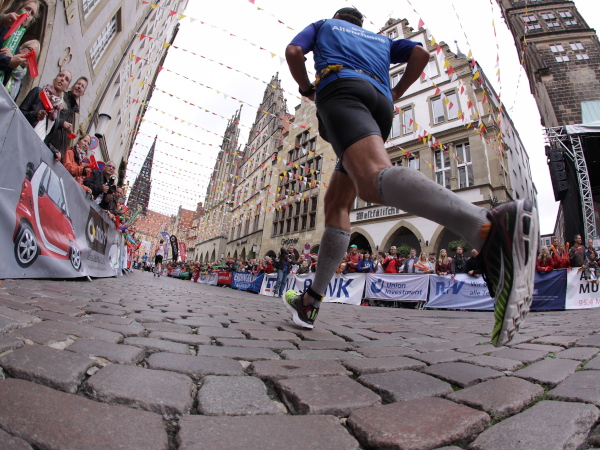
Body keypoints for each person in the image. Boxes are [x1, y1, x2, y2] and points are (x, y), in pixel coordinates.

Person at [282, 6, 538, 347]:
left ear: (339, 18)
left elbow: (294, 52)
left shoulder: (324, 25)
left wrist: (306, 88)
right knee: (337, 202)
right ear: (361, 23)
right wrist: (397, 91)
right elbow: (420, 54)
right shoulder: (380, 40)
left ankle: (487, 226)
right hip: (380, 104)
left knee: (371, 180)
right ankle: (311, 300)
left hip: (342, 91)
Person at [20, 70, 72, 161]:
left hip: (33, 152)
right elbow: (19, 113)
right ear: (55, 79)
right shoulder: (38, 92)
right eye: (61, 75)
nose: (62, 79)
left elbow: (45, 138)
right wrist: (35, 115)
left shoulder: (57, 111)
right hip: (21, 140)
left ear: (66, 88)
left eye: (66, 79)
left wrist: (54, 151)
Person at [0, 1, 39, 84]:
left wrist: (11, 61)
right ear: (18, 9)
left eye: (32, 13)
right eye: (27, 9)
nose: (28, 14)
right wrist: (8, 60)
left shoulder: (16, 48)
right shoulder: (3, 26)